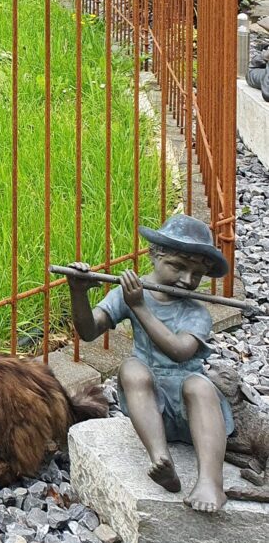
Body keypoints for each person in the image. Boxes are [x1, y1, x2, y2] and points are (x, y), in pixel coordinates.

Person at [65, 214, 234, 512]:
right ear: (155, 255)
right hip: (150, 409)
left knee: (199, 385)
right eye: (178, 267)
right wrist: (78, 292)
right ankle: (160, 460)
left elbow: (180, 351)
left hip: (192, 411)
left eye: (197, 274)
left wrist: (140, 306)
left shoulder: (195, 313)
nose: (187, 280)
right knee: (131, 367)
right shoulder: (129, 294)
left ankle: (211, 482)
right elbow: (89, 332)